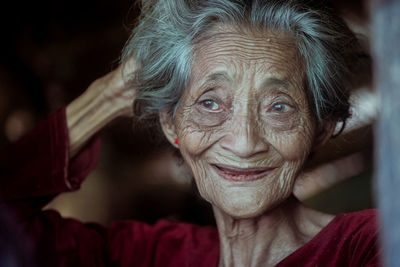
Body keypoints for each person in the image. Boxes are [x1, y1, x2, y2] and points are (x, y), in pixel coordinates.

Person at [0, 0, 380, 266]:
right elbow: (8, 235)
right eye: (211, 104)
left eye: (279, 106)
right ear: (171, 124)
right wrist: (109, 96)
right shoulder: (154, 256)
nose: (244, 142)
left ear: (320, 129)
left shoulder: (367, 245)